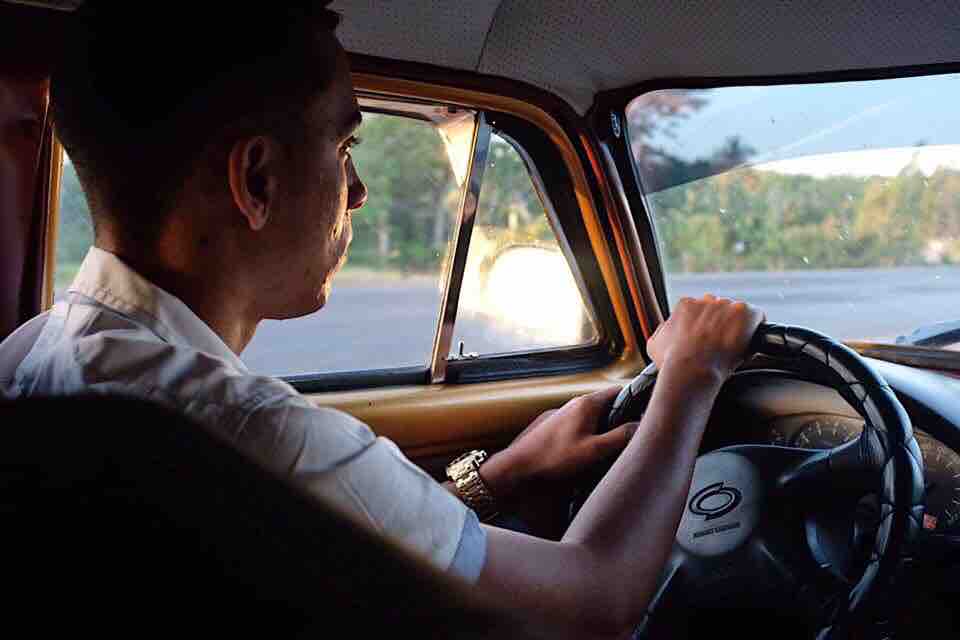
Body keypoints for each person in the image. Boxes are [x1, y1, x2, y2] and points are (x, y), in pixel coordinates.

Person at [0, 3, 763, 637]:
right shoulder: (248, 433)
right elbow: (592, 603)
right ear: (256, 179)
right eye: (345, 145)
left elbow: (316, 544)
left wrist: (498, 477)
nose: (356, 190)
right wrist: (692, 377)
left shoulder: (34, 353)